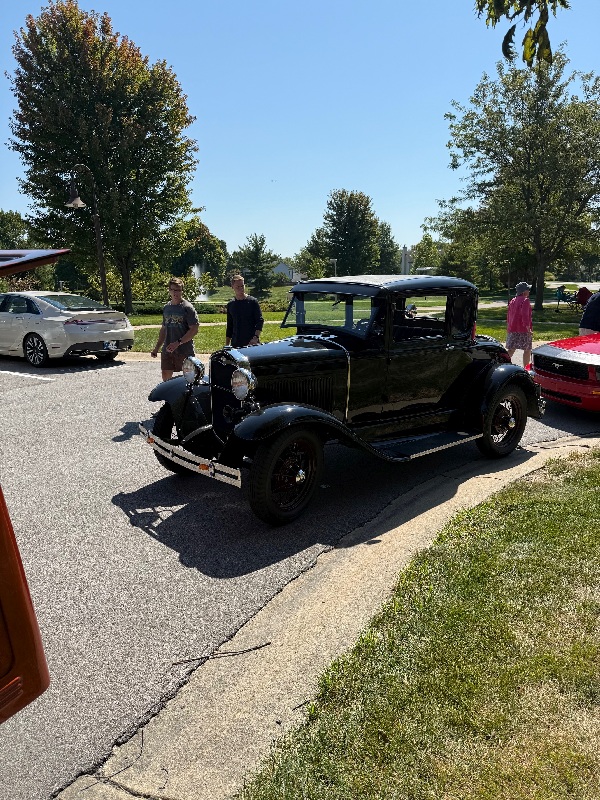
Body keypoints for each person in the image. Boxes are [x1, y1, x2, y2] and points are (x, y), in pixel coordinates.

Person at [151, 277, 199, 381]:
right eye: (172, 290)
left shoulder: (187, 308)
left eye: (177, 290)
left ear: (182, 291)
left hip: (184, 350)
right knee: (166, 380)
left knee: (188, 380)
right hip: (168, 350)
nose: (175, 293)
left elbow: (194, 329)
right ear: (169, 290)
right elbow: (164, 329)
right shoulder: (166, 308)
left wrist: (178, 343)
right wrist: (157, 348)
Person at [225, 274, 264, 348]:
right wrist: (227, 345)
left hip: (251, 343)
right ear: (232, 287)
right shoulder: (231, 305)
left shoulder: (252, 302)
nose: (241, 289)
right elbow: (230, 326)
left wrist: (255, 337)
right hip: (236, 343)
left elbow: (260, 321)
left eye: (242, 286)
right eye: (238, 287)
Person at [506, 281, 533, 367]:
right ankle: (526, 368)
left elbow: (509, 316)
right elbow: (525, 316)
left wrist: (509, 327)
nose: (529, 291)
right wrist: (528, 329)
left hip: (512, 329)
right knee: (527, 349)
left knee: (511, 349)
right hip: (523, 329)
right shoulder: (525, 300)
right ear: (524, 291)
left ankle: (501, 363)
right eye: (528, 289)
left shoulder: (512, 301)